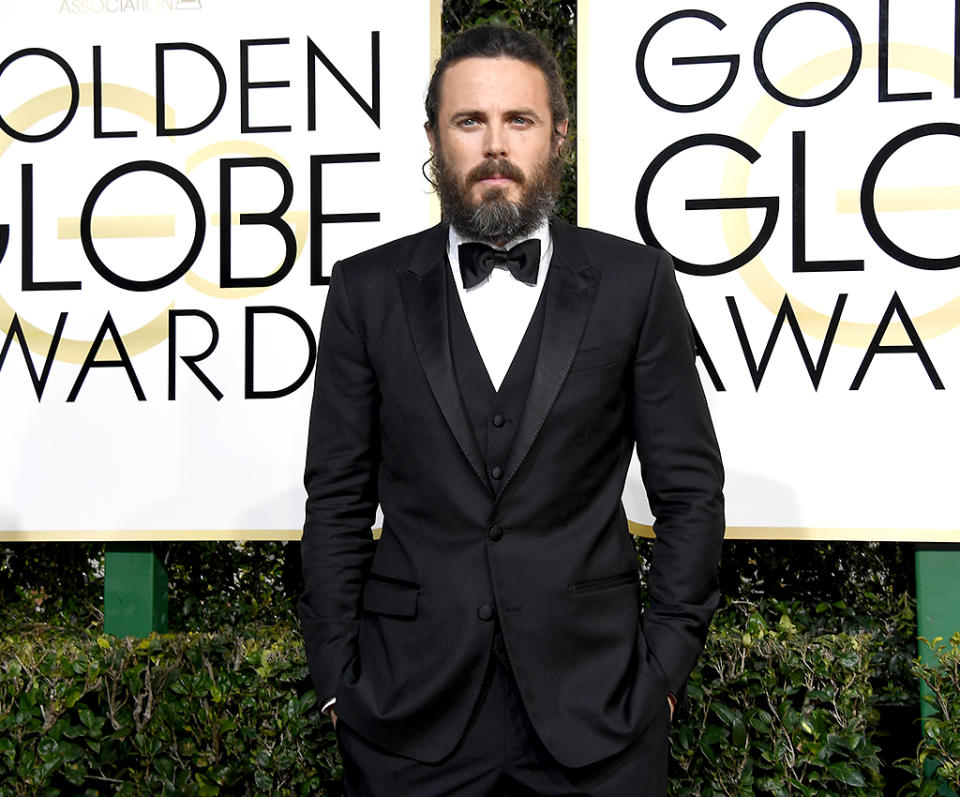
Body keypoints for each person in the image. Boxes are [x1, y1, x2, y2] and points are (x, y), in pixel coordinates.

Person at [299, 24, 724, 797]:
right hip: (406, 716)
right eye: (470, 122)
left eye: (519, 121)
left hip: (599, 714)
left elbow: (690, 492)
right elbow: (335, 498)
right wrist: (337, 679)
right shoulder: (366, 289)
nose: (496, 145)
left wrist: (662, 672)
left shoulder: (636, 282)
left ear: (558, 135)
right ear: (434, 135)